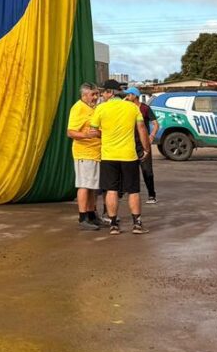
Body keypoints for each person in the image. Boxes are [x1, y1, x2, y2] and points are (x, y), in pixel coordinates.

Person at [91, 79, 151, 235]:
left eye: (104, 92)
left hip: (108, 155)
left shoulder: (100, 109)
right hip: (129, 155)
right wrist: (146, 149)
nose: (102, 95)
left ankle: (113, 225)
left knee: (111, 190)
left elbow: (93, 131)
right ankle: (137, 224)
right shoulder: (132, 107)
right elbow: (142, 128)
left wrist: (105, 135)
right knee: (133, 190)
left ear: (110, 93)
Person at [66, 82, 103, 229]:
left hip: (96, 152)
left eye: (96, 94)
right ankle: (83, 218)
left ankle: (92, 214)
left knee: (93, 186)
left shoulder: (94, 108)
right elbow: (70, 132)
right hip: (84, 152)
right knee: (84, 185)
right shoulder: (78, 108)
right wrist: (85, 135)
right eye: (93, 94)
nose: (96, 97)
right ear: (84, 95)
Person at [125, 87, 158, 203]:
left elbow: (155, 124)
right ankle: (129, 193)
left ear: (134, 95)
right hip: (129, 143)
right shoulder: (126, 108)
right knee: (130, 170)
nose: (127, 97)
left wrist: (151, 136)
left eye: (128, 95)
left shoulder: (145, 108)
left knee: (147, 171)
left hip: (143, 144)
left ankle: (152, 195)